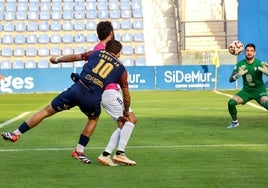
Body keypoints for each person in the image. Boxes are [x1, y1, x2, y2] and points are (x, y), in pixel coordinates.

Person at [2, 40, 131, 165]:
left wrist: (57, 60)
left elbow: (74, 57)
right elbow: (126, 95)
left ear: (106, 49)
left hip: (77, 88)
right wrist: (125, 111)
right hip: (92, 97)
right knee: (93, 119)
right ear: (119, 54)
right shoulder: (121, 70)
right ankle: (79, 150)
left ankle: (16, 134)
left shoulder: (96, 53)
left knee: (46, 110)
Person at [50, 21, 137, 166]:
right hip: (107, 90)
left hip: (102, 91)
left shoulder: (98, 48)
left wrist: (58, 59)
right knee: (129, 120)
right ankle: (117, 153)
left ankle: (108, 154)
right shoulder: (104, 49)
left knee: (123, 123)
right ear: (110, 32)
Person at [227, 43, 268, 128]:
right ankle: (235, 122)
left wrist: (267, 73)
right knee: (231, 103)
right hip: (246, 91)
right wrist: (237, 75)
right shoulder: (240, 64)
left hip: (259, 91)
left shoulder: (260, 63)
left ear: (254, 53)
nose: (249, 52)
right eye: (247, 50)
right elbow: (230, 79)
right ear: (244, 52)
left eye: (251, 51)